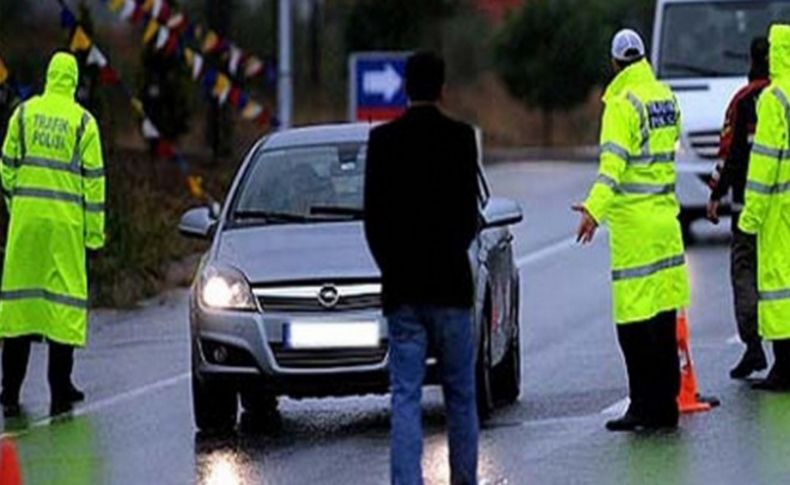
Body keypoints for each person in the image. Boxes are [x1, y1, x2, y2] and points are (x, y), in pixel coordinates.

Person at [364, 51, 480, 484]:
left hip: (403, 293)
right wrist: (449, 253)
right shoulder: (461, 139)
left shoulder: (383, 143)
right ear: (443, 89)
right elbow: (469, 219)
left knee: (405, 398)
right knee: (461, 399)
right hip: (451, 288)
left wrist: (393, 268)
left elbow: (373, 221)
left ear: (404, 88)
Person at [573, 29, 690, 431]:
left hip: (636, 231)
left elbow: (613, 168)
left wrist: (592, 210)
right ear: (642, 57)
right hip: (666, 223)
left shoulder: (622, 104)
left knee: (633, 326)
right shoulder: (665, 97)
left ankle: (643, 407)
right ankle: (668, 405)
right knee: (662, 317)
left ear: (614, 63)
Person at [0, 51, 106, 417]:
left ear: (48, 77)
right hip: (65, 227)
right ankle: (60, 387)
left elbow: (6, 164)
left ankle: (9, 391)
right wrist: (94, 236)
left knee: (20, 308)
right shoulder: (83, 123)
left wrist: (17, 204)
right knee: (63, 306)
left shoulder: (24, 114)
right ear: (74, 82)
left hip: (26, 225)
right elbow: (94, 185)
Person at [707, 37, 770, 379]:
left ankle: (754, 346)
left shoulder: (742, 102)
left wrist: (715, 193)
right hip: (784, 211)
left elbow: (729, 154)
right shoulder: (785, 98)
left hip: (748, 206)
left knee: (745, 272)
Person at [738, 24, 790, 391]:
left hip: (778, 208)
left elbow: (764, 163)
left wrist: (750, 215)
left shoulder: (774, 98)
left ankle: (784, 367)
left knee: (777, 285)